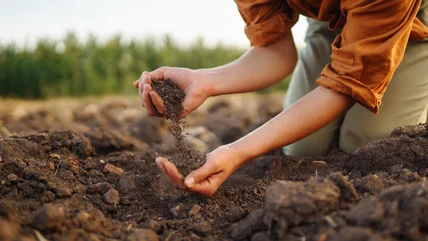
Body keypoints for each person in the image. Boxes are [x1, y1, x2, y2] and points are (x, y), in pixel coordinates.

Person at [133, 0, 428, 196]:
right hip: (329, 19)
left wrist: (237, 151)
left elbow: (347, 85)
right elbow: (275, 50)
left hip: (404, 21)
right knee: (303, 147)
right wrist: (205, 80)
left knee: (369, 145)